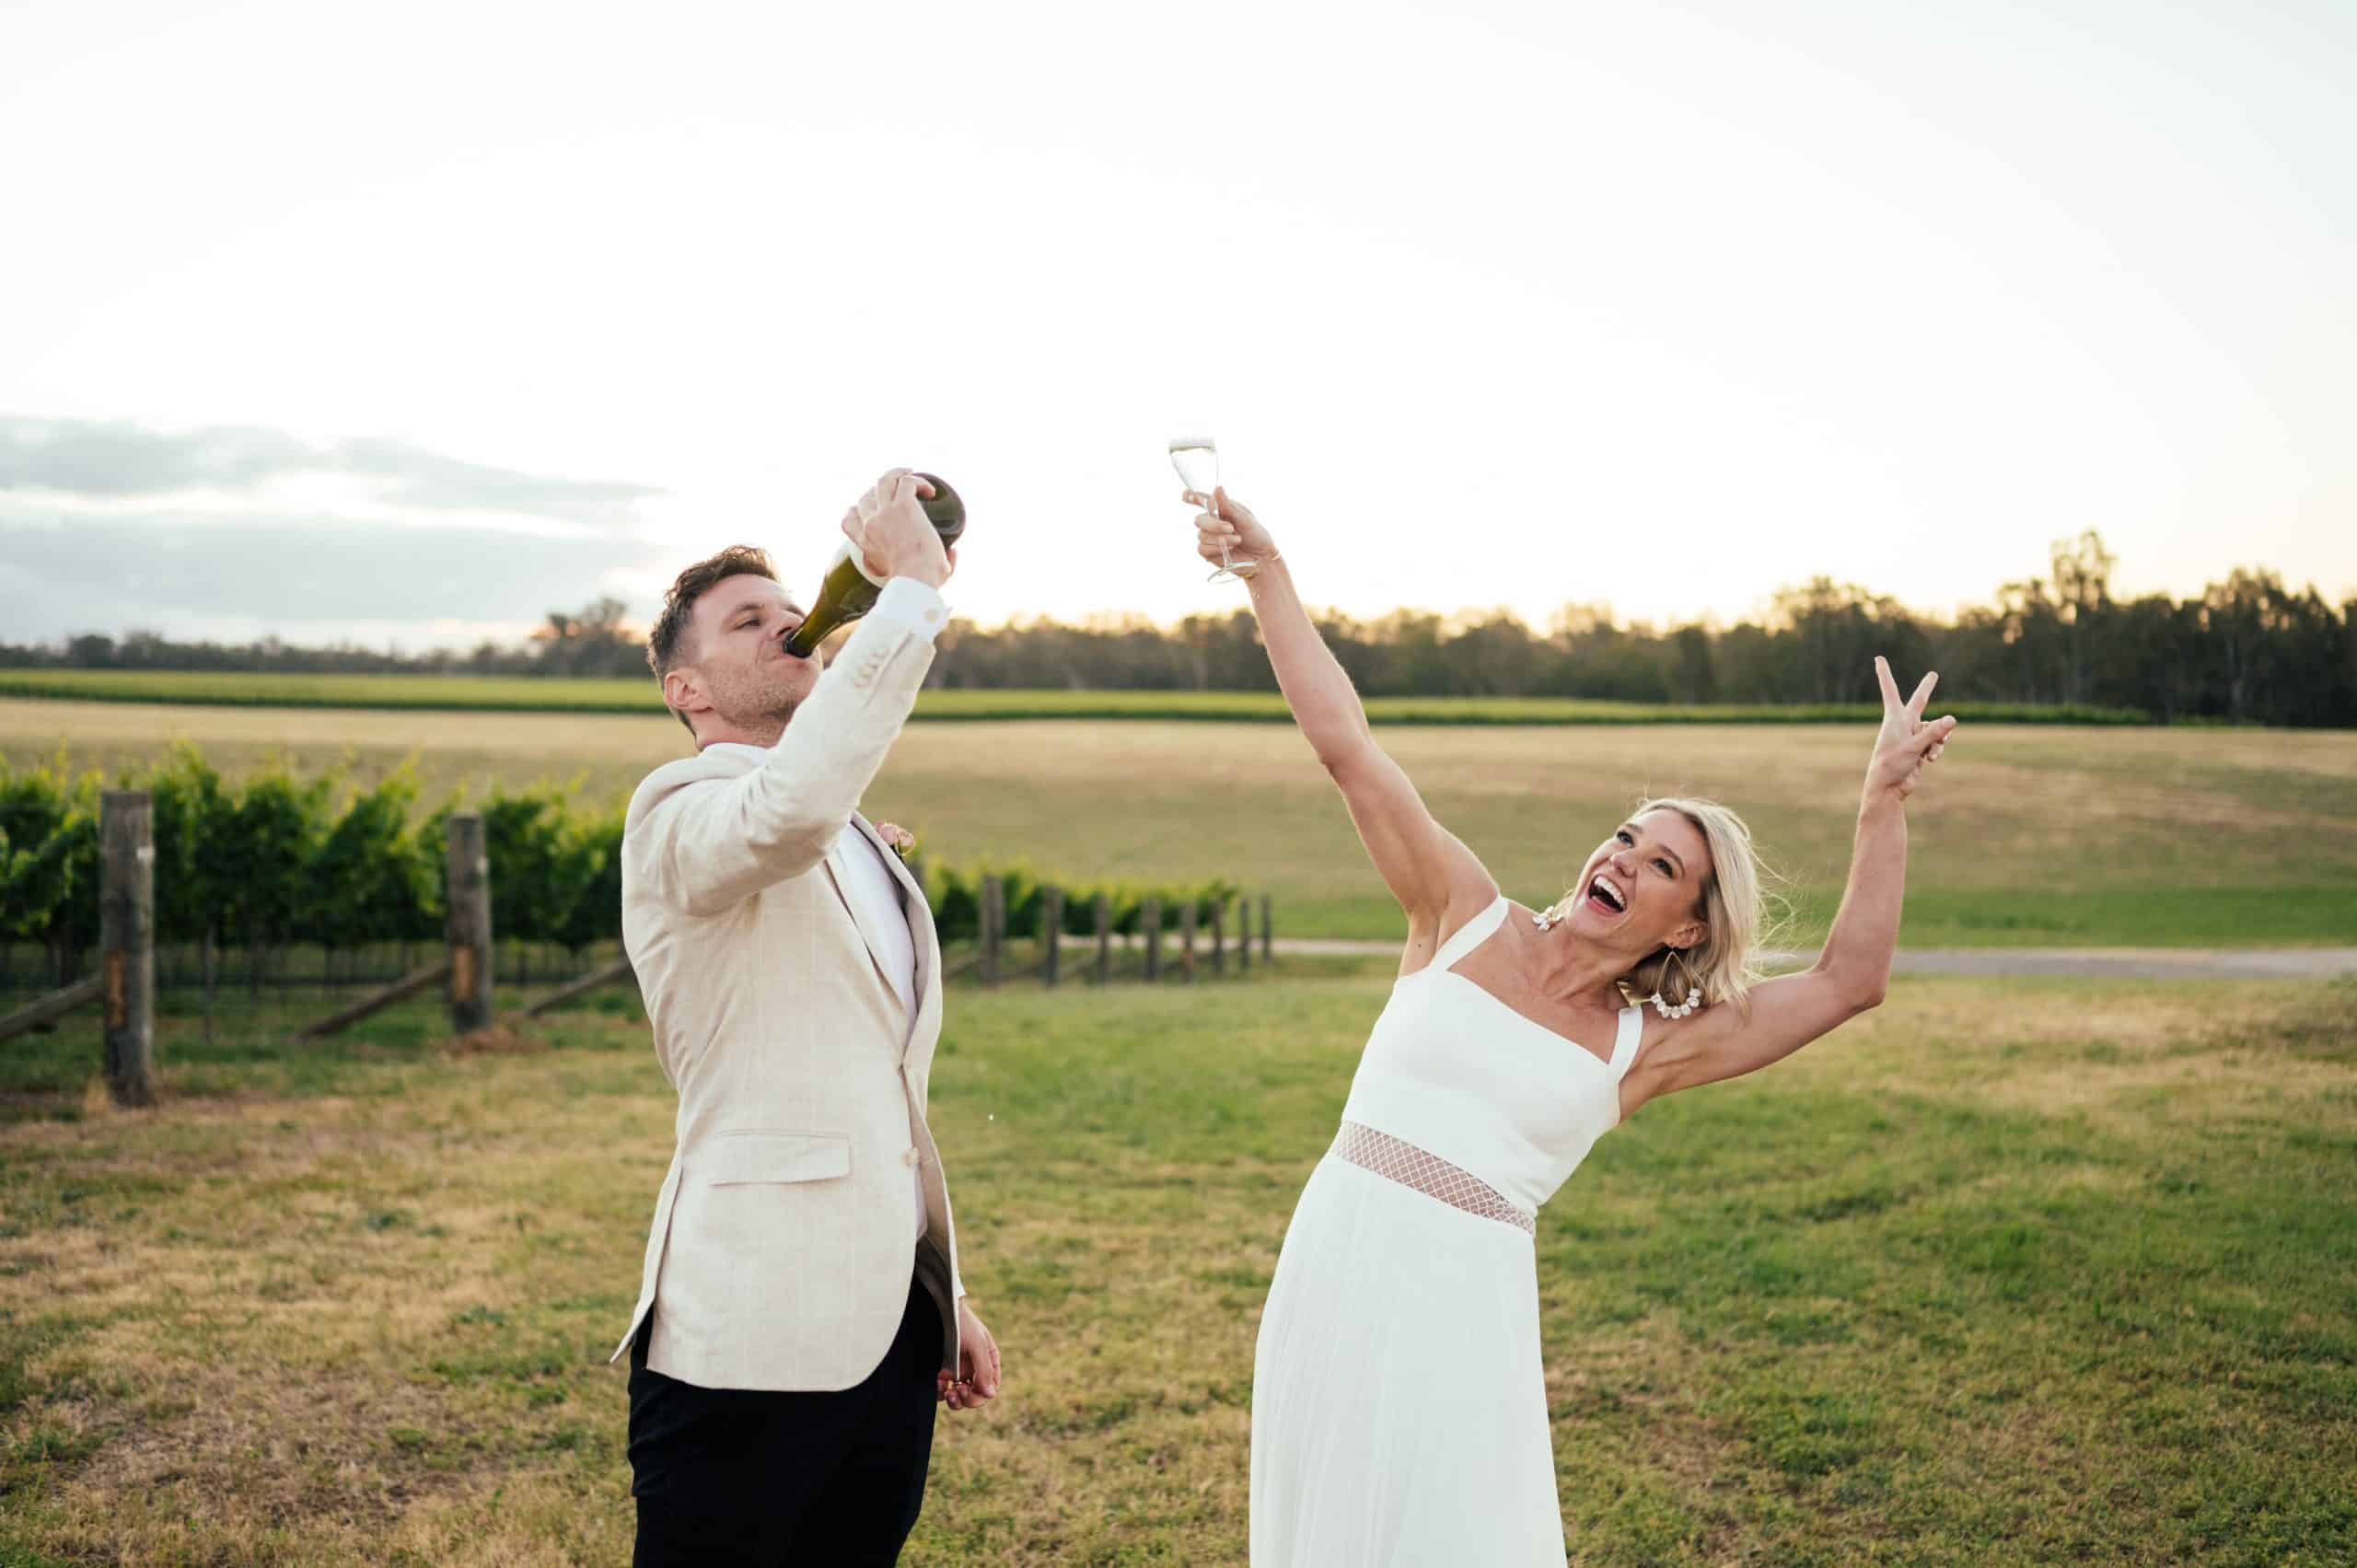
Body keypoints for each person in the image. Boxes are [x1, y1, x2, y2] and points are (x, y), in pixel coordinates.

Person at [1187, 487, 1957, 1566]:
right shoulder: (1459, 914)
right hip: (1336, 1258)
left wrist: (1880, 803)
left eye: (1661, 866)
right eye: (1623, 838)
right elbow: (1349, 748)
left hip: (1464, 1308)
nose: (1620, 861)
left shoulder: (1652, 1045)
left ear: (1688, 922)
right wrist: (1266, 574)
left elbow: (1846, 982)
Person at [612, 470, 1002, 1567]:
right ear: (687, 689)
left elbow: (874, 1090)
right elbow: (784, 809)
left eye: (792, 609)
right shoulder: (679, 812)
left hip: (885, 1339)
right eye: (748, 620)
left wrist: (942, 1293)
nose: (787, 622)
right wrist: (913, 597)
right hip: (746, 1338)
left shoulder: (848, 833)